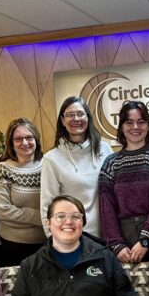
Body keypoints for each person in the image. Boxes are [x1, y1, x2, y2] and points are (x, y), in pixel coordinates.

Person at [98, 100, 149, 263]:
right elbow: (106, 208)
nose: (135, 127)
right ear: (121, 126)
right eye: (129, 122)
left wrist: (145, 240)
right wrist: (116, 244)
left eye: (141, 122)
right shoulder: (111, 163)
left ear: (148, 125)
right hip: (122, 241)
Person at [40, 97, 113, 238]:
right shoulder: (51, 159)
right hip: (73, 237)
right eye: (70, 115)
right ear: (62, 121)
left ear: (88, 117)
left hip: (109, 234)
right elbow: (47, 205)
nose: (76, 118)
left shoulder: (105, 150)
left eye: (80, 113)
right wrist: (53, 239)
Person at [0, 118, 46, 266]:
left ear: (36, 139)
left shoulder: (48, 165)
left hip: (46, 241)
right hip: (13, 244)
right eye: (18, 139)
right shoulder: (3, 169)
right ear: (11, 143)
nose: (25, 142)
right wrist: (39, 217)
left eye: (29, 137)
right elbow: (3, 210)